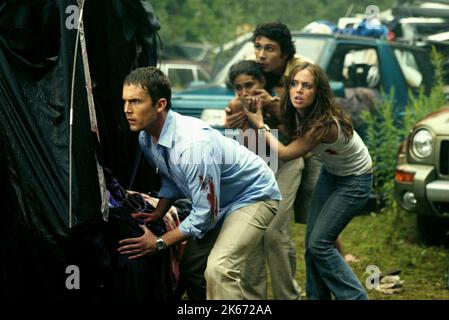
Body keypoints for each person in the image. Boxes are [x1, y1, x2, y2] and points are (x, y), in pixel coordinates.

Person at [117, 66, 282, 300]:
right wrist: (158, 212)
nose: (127, 110)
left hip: (253, 195)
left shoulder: (193, 146)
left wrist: (160, 243)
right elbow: (171, 176)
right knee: (193, 267)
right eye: (124, 101)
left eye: (135, 101)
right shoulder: (146, 136)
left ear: (160, 104)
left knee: (219, 268)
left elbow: (205, 214)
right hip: (217, 202)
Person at [245, 61, 373, 300]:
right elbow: (281, 113)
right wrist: (268, 102)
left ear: (318, 91)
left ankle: (356, 297)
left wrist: (259, 124)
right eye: (294, 84)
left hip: (355, 181)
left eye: (306, 86)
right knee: (312, 245)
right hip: (331, 174)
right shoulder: (298, 110)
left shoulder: (322, 125)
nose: (298, 90)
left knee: (320, 245)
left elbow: (284, 152)